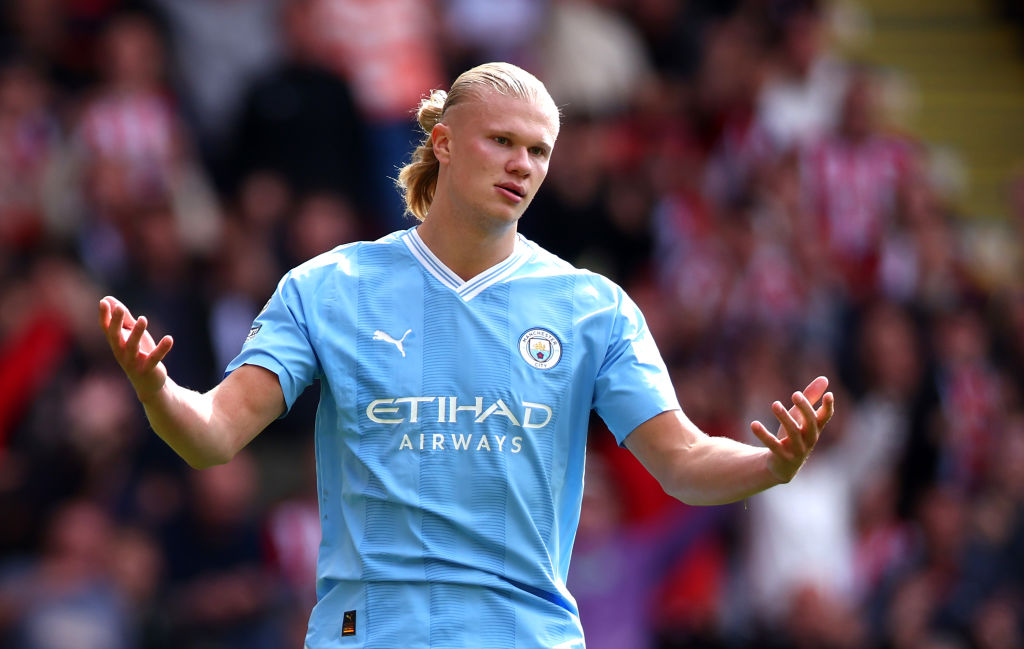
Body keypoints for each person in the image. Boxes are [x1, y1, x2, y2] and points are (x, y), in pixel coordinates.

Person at [98, 62, 835, 649]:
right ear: (444, 142)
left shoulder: (593, 308)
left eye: (539, 150)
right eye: (502, 141)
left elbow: (683, 462)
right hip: (369, 635)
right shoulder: (329, 286)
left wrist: (766, 464)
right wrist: (159, 389)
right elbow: (213, 434)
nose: (523, 164)